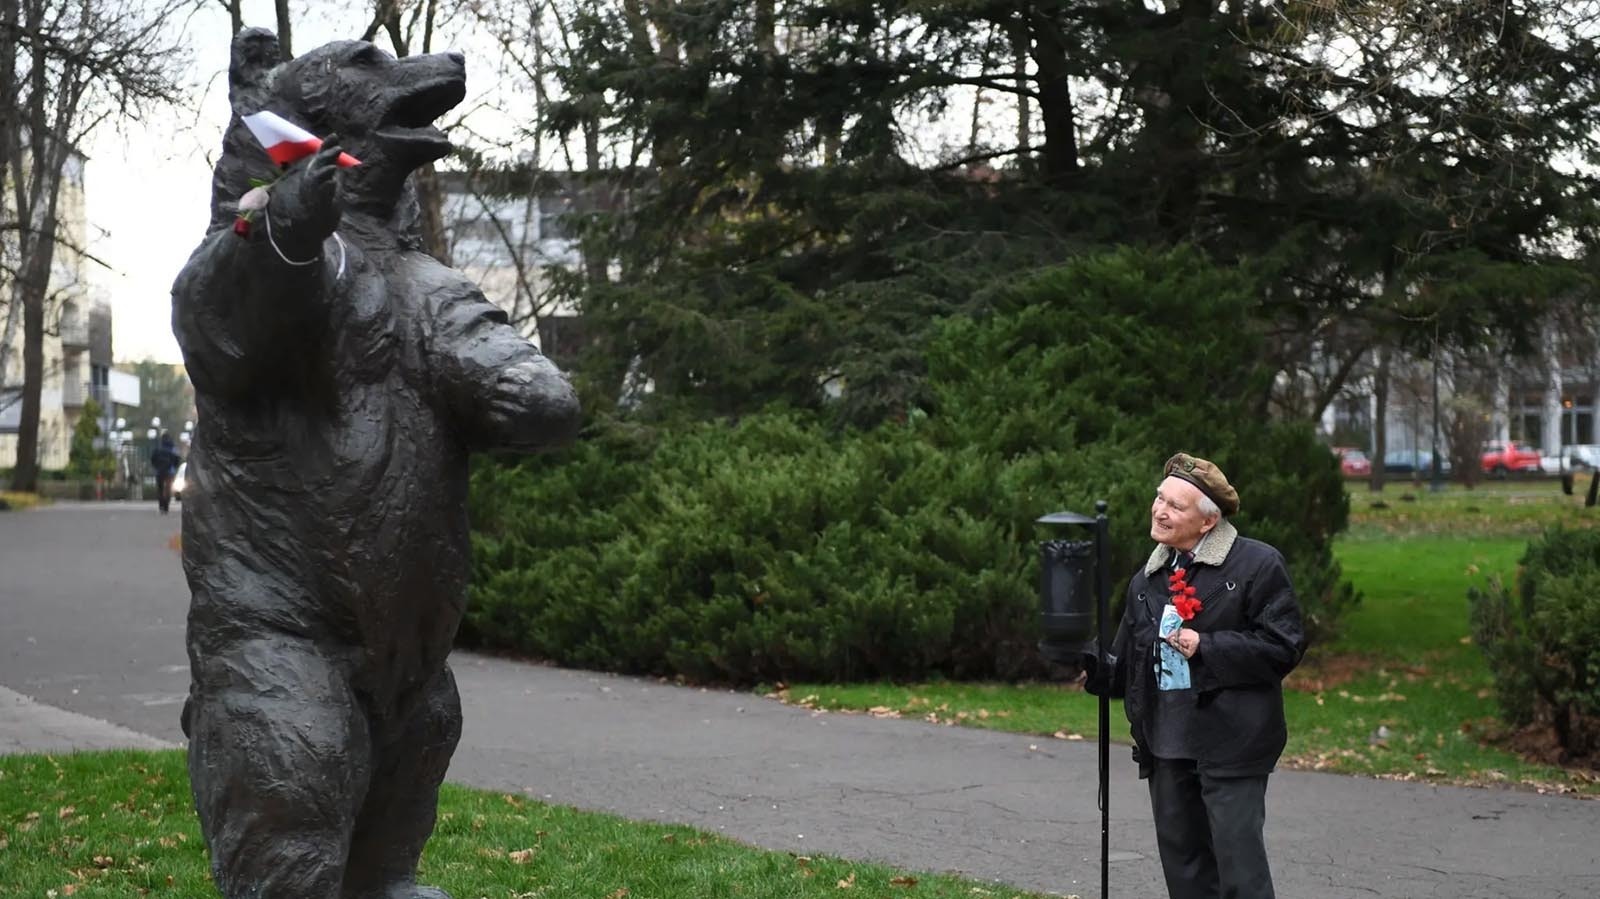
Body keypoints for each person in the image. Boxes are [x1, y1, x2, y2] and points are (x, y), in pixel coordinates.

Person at [1086, 452, 1304, 899]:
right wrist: (1085, 658)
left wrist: (1208, 645)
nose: (1160, 510)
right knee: (1184, 871)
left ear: (1207, 522)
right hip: (1166, 743)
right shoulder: (1147, 579)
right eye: (1159, 498)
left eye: (1175, 506)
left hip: (1232, 742)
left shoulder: (1256, 566)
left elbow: (1284, 646)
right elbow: (1123, 664)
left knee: (1239, 872)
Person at [149, 432, 182, 514]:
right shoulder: (172, 448)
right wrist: (174, 467)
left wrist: (156, 467)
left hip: (159, 471)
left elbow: (153, 459)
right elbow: (177, 460)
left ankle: (161, 505)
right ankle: (166, 505)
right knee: (168, 488)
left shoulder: (158, 448)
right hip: (169, 471)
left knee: (160, 489)